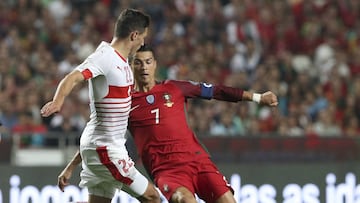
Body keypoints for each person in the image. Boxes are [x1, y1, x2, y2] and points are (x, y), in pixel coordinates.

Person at [58, 45, 278, 203]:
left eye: (148, 62)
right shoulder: (125, 103)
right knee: (183, 200)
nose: (144, 67)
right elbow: (101, 136)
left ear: (155, 65)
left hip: (198, 161)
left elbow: (217, 91)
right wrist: (71, 167)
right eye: (138, 62)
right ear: (130, 66)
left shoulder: (175, 88)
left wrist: (258, 97)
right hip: (168, 172)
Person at [40, 9, 160, 203]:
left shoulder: (124, 64)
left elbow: (101, 127)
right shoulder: (105, 57)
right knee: (153, 197)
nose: (143, 43)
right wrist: (58, 101)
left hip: (100, 147)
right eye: (143, 37)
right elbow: (73, 77)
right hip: (105, 150)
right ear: (134, 35)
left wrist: (71, 166)